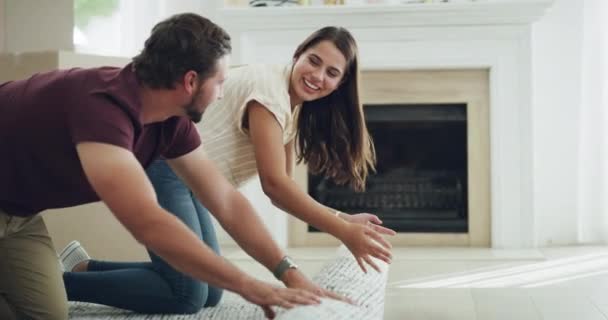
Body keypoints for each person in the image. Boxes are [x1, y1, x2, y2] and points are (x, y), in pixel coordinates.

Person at [0, 13, 334, 320]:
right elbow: (148, 222)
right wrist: (246, 284)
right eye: (219, 82)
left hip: (20, 216)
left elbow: (225, 200)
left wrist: (286, 271)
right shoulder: (103, 111)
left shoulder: (171, 123)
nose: (221, 95)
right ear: (191, 81)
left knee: (48, 314)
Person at [62, 25, 395, 314]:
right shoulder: (269, 92)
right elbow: (274, 186)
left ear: (340, 84)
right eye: (314, 61)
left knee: (210, 292)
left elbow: (285, 192)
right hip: (166, 164)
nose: (317, 76)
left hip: (191, 178)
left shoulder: (291, 109)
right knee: (186, 294)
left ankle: (83, 267)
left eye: (331, 73)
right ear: (298, 54)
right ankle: (61, 285)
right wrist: (339, 234)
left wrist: (343, 220)